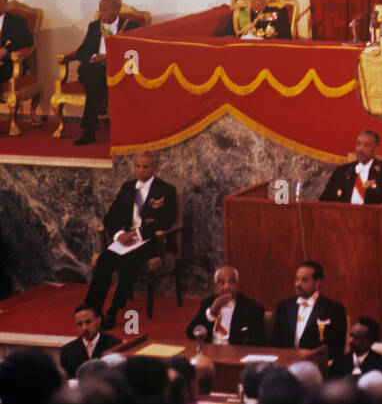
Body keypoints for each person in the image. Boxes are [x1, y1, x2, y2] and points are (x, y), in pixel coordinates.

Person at [85, 151, 178, 328]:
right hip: (125, 239)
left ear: (155, 168)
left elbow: (167, 220)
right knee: (105, 259)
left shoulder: (165, 190)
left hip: (150, 240)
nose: (140, 170)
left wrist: (137, 234)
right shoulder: (127, 188)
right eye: (138, 166)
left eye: (145, 167)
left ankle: (113, 310)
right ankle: (93, 308)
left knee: (128, 263)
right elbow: (111, 216)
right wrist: (119, 235)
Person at [64, 0, 142, 146]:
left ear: (117, 9)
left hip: (119, 69)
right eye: (100, 10)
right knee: (89, 73)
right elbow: (82, 51)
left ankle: (89, 129)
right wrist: (94, 56)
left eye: (105, 10)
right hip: (95, 67)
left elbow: (135, 52)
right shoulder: (94, 26)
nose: (102, 14)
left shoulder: (131, 26)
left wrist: (109, 58)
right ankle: (97, 102)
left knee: (90, 84)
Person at [271, 260, 347, 362]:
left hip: (316, 365)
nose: (298, 284)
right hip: (285, 363)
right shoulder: (284, 307)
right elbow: (275, 342)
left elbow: (336, 348)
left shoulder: (333, 309)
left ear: (317, 283)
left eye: (304, 280)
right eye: (296, 279)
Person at [319, 128, 382, 204]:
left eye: (366, 145)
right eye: (358, 144)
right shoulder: (341, 171)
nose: (360, 149)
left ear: (376, 148)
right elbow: (324, 202)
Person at [184, 265, 266, 345]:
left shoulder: (252, 308)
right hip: (211, 352)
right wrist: (211, 312)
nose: (226, 286)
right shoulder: (208, 303)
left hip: (235, 354)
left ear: (238, 285)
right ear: (215, 286)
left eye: (231, 282)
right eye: (221, 282)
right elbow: (191, 333)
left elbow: (258, 342)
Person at [328, 318, 382, 387]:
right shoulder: (338, 363)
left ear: (370, 342)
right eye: (351, 335)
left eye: (357, 338)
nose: (350, 341)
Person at [59, 304, 122, 378]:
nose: (84, 328)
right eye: (79, 324)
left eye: (88, 322)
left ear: (98, 321)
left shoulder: (115, 345)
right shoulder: (67, 351)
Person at [0, 0, 34, 89]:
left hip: (10, 64)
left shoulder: (18, 21)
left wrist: (6, 50)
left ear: (6, 2)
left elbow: (27, 41)